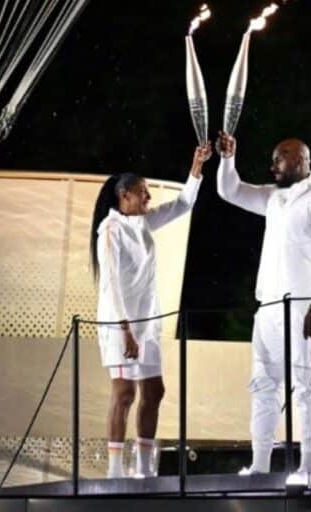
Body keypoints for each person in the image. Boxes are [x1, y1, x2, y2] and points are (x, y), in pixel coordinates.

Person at [215, 131, 311, 477]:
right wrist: (228, 158)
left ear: (301, 160)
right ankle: (259, 466)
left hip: (306, 308)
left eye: (279, 158)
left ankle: (308, 468)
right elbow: (229, 191)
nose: (272, 165)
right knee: (263, 385)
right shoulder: (275, 198)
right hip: (269, 307)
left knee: (307, 388)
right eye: (273, 158)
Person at [90, 143, 212, 478]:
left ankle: (143, 468)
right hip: (120, 325)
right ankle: (115, 471)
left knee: (154, 391)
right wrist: (125, 328)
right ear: (124, 195)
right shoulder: (110, 231)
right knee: (125, 392)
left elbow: (184, 203)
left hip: (147, 322)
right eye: (143, 193)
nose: (149, 198)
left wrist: (196, 165)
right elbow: (111, 284)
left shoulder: (142, 223)